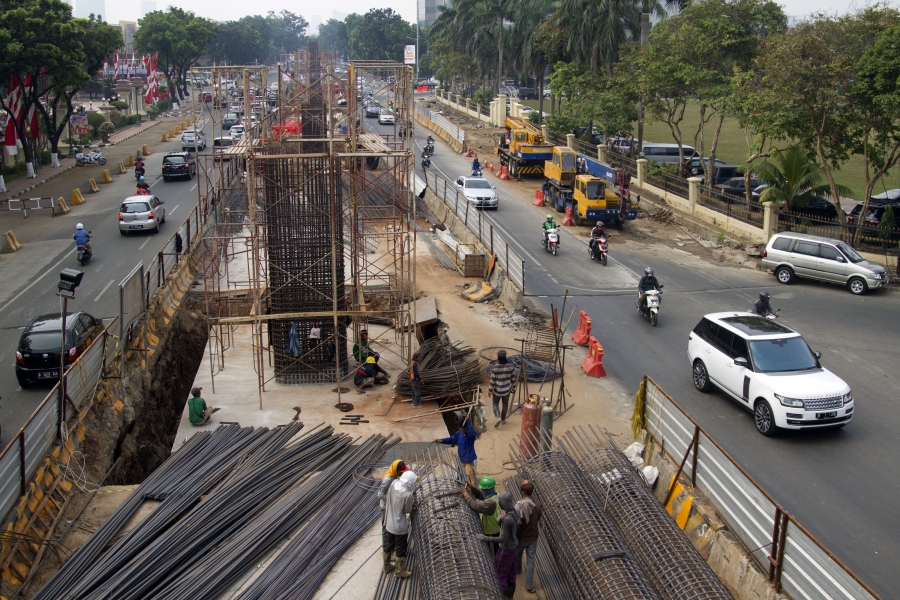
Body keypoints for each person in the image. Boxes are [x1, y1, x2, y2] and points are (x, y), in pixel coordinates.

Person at [476, 492, 519, 599]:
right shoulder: (515, 512)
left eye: (500, 502)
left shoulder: (507, 520)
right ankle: (510, 594)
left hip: (506, 550)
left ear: (503, 504)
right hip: (514, 547)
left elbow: (503, 539)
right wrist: (501, 520)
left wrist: (486, 538)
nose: (499, 504)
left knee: (500, 574)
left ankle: (502, 596)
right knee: (511, 572)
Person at [384, 470, 417, 578]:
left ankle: (386, 566)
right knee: (400, 548)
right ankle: (399, 571)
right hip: (399, 526)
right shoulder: (408, 495)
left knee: (389, 545)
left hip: (389, 522)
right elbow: (407, 510)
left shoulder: (393, 484)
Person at [378, 460, 410, 573]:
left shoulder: (395, 477)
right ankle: (388, 554)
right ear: (395, 470)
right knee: (386, 529)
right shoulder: (388, 479)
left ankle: (388, 558)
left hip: (391, 507)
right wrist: (392, 502)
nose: (402, 474)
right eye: (401, 472)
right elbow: (380, 494)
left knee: (390, 530)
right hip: (386, 507)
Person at [434, 411, 478, 485]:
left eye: (464, 429)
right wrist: (440, 440)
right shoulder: (459, 434)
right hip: (461, 460)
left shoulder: (471, 435)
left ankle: (471, 492)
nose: (462, 431)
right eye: (461, 429)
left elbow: (471, 433)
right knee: (460, 478)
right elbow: (451, 439)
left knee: (470, 480)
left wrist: (468, 421)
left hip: (469, 461)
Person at [515, 480, 543, 594]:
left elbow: (517, 522)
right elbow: (538, 518)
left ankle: (518, 569)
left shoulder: (520, 506)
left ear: (523, 493)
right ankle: (529, 585)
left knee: (518, 554)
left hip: (522, 537)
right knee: (530, 561)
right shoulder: (538, 505)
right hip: (533, 537)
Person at [461, 476, 501, 555]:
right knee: (496, 545)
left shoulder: (489, 503)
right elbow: (482, 497)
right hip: (496, 526)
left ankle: (493, 560)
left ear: (486, 490)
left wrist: (465, 494)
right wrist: (472, 488)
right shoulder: (496, 496)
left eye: (483, 489)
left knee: (490, 547)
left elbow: (475, 506)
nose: (482, 491)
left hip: (490, 529)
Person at [489, 350, 516, 426]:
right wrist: (514, 388)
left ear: (498, 357)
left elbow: (492, 381)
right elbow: (513, 378)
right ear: (505, 356)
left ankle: (498, 417)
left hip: (497, 391)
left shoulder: (495, 367)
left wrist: (490, 391)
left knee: (495, 403)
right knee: (505, 404)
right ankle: (503, 420)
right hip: (507, 391)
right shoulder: (511, 366)